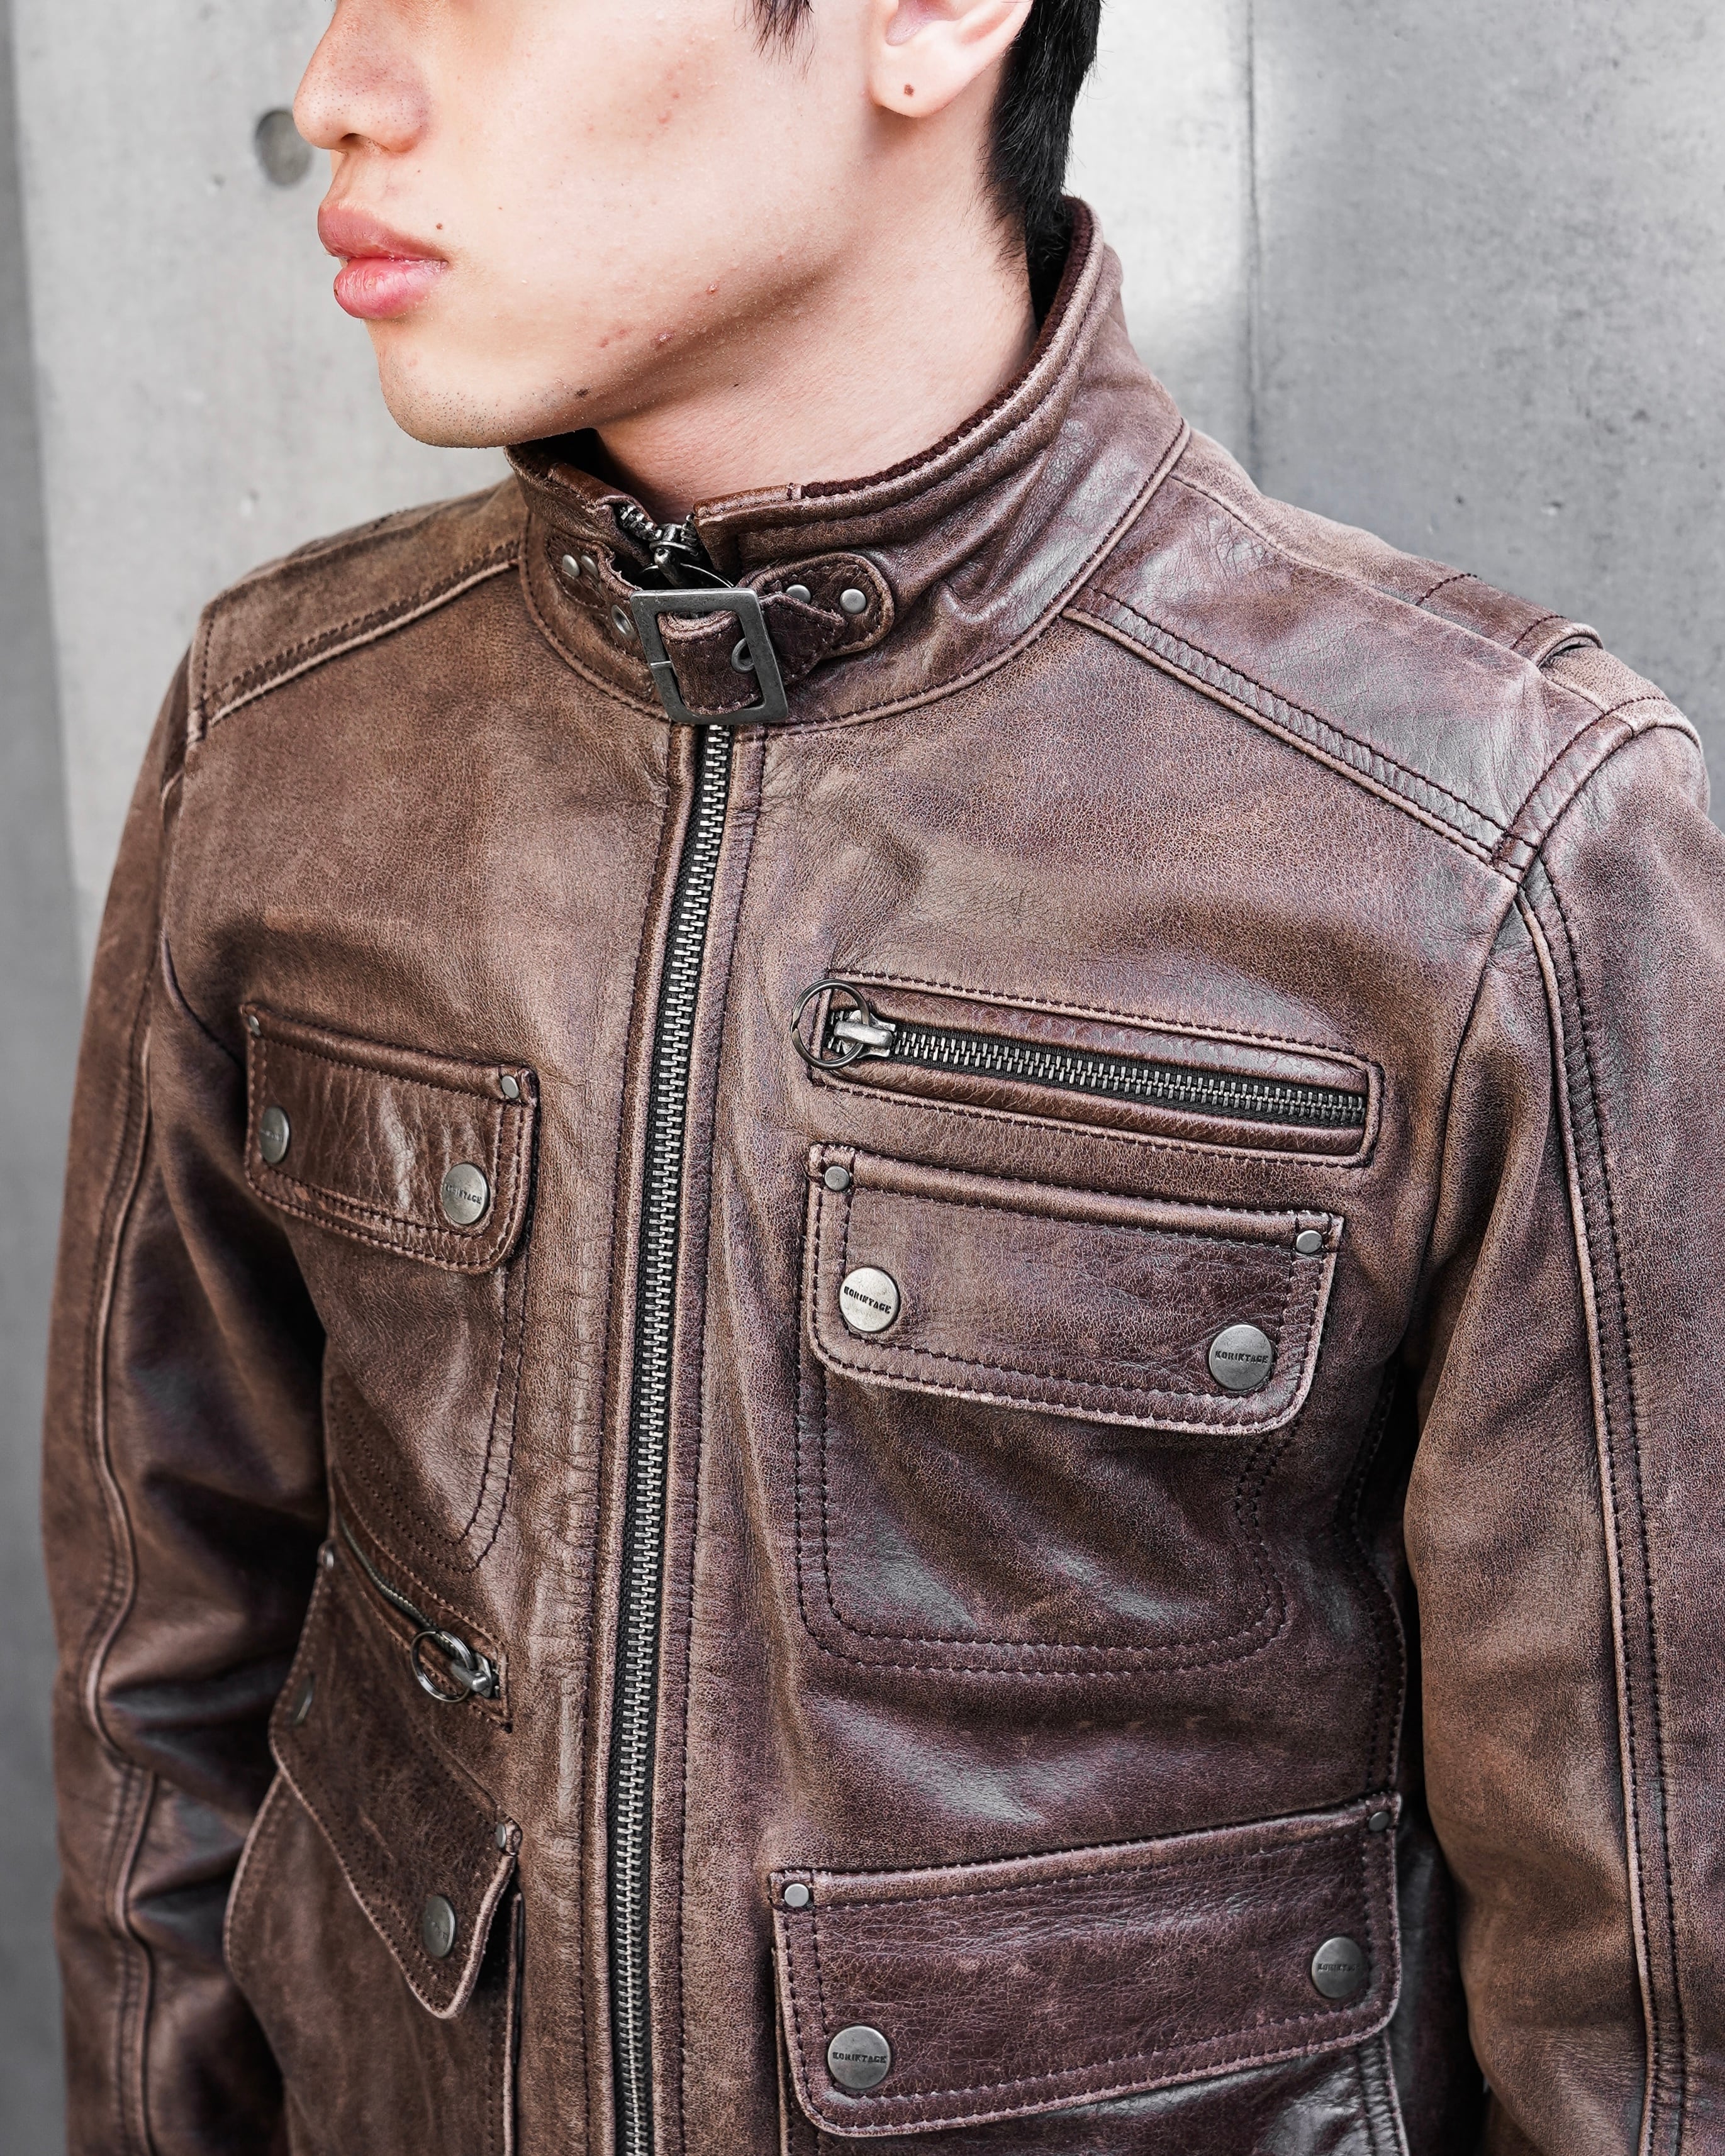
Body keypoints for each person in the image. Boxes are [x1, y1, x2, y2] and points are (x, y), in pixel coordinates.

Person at [40, 1, 1725, 2150]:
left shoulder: (1488, 835)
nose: (336, 88)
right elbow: (163, 1700)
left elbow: (1646, 1995)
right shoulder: (284, 731)